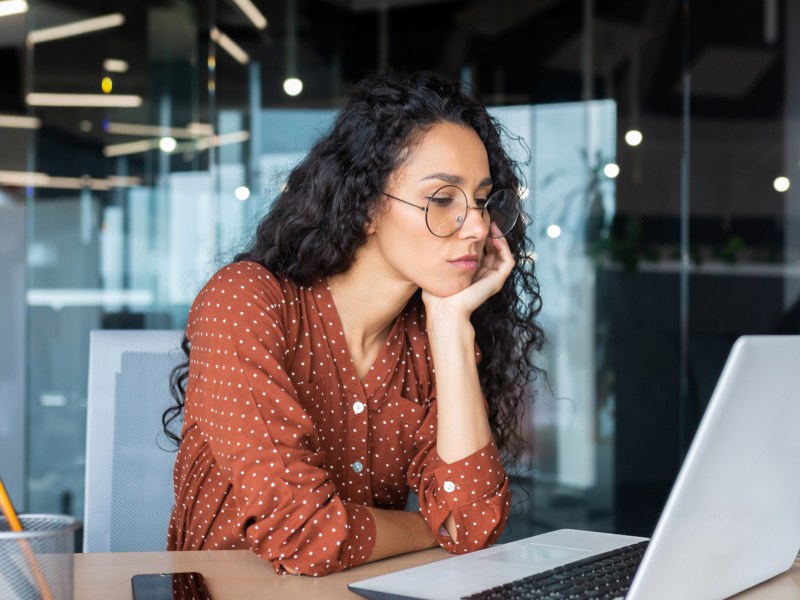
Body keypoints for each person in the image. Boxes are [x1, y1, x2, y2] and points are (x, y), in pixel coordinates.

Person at [163, 70, 544, 577]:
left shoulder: (428, 336)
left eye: (481, 200)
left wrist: (452, 324)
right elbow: (306, 536)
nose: (476, 226)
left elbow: (473, 524)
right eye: (443, 199)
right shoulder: (245, 302)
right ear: (366, 205)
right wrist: (432, 529)